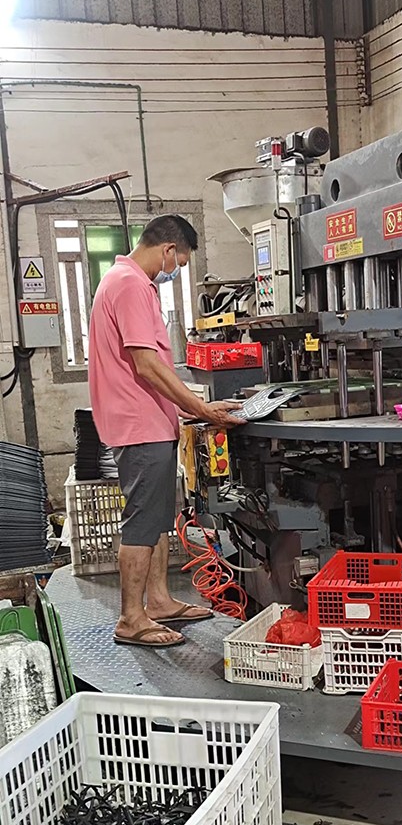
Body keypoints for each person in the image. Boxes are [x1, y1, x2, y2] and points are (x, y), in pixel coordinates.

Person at [88, 213, 244, 649]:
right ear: (169, 250)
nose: (176, 270)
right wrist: (201, 408)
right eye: (180, 262)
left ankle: (156, 601)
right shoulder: (130, 285)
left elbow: (149, 366)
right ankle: (131, 619)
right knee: (142, 523)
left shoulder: (125, 281)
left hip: (147, 422)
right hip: (139, 427)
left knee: (156, 518)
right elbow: (147, 365)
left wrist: (187, 411)